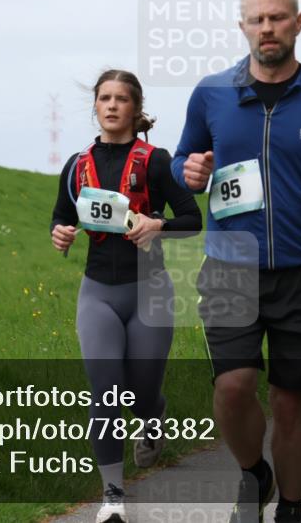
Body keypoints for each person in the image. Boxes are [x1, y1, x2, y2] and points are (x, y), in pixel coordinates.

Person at [172, 0, 301, 523]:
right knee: (234, 388)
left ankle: (291, 506)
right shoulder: (211, 94)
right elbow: (181, 163)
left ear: (298, 23)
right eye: (257, 19)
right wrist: (186, 171)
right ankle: (252, 472)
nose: (267, 27)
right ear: (242, 26)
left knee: (290, 400)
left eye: (278, 17)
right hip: (230, 269)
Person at [50, 69, 202, 523]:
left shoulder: (156, 161)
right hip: (97, 292)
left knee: (142, 392)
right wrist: (60, 234)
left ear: (136, 109)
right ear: (95, 106)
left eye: (121, 99)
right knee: (106, 393)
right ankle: (112, 495)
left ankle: (153, 418)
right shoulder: (77, 165)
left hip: (150, 291)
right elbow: (61, 218)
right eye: (104, 98)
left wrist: (159, 224)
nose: (112, 105)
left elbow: (193, 219)